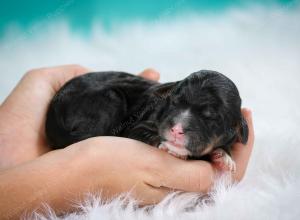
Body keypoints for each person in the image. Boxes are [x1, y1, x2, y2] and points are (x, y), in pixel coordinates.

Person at [0, 65, 254, 219]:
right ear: (170, 96)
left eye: (208, 117)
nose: (177, 127)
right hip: (87, 100)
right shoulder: (157, 108)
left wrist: (219, 151)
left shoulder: (232, 128)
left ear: (234, 128)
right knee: (114, 109)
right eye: (177, 104)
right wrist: (77, 167)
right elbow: (141, 131)